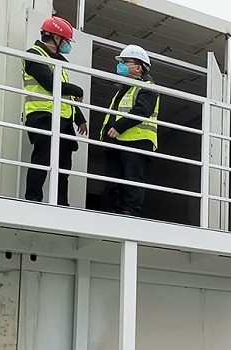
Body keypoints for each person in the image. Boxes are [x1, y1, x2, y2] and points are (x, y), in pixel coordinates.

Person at [22, 16, 87, 205]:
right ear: (55, 38)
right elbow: (50, 84)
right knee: (42, 159)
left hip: (63, 120)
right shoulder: (34, 54)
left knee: (63, 166)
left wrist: (79, 118)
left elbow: (64, 97)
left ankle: (61, 203)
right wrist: (77, 90)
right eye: (66, 40)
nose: (67, 45)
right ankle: (33, 199)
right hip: (43, 116)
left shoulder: (58, 62)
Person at [100, 45, 159, 217]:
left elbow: (142, 111)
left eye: (126, 62)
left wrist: (118, 128)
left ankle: (131, 210)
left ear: (139, 67)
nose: (122, 65)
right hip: (116, 143)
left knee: (132, 179)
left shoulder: (149, 87)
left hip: (136, 141)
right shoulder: (125, 88)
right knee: (113, 181)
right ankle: (115, 210)